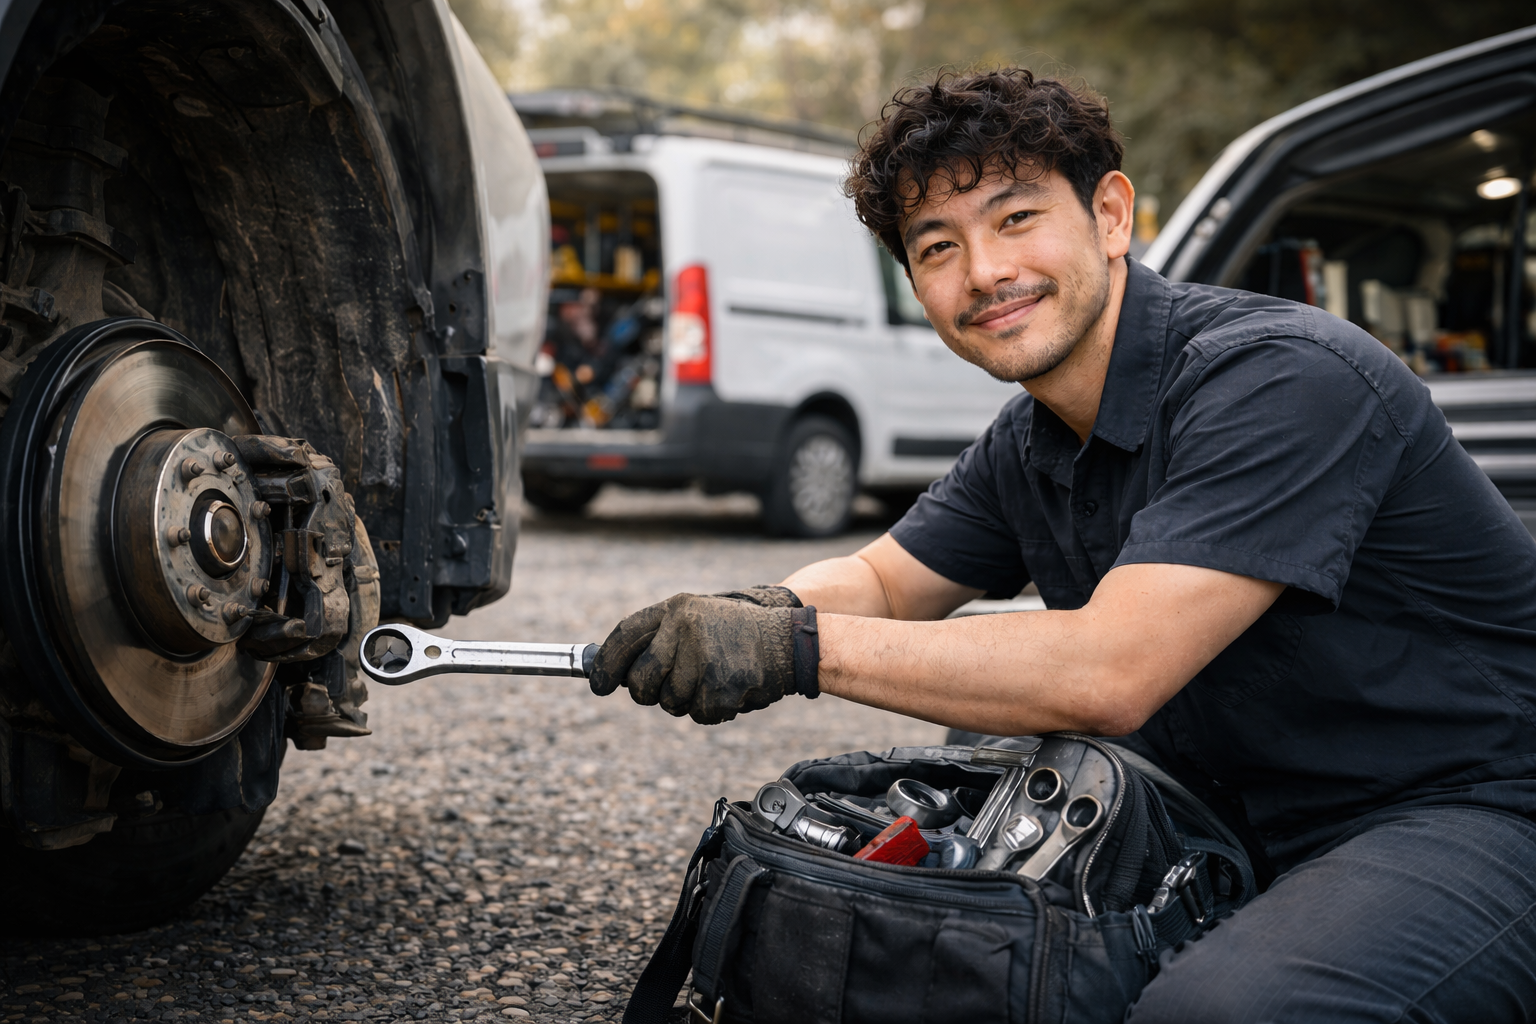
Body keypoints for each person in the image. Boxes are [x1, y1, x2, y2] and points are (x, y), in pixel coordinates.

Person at [588, 69, 1536, 1021]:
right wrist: (766, 611)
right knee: (964, 879)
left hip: (1470, 806)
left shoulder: (1282, 379)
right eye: (937, 247)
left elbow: (1109, 671)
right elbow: (880, 579)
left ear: (1111, 216)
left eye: (1015, 219)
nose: (985, 273)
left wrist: (796, 651)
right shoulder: (1031, 438)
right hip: (1237, 809)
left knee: (1211, 1014)